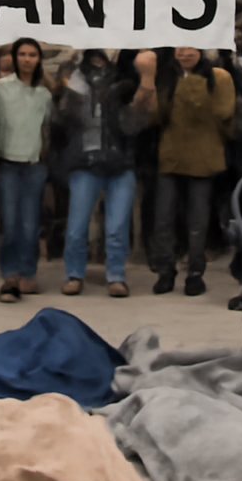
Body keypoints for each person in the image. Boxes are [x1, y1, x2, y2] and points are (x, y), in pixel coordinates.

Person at [53, 49, 157, 297]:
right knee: (77, 226)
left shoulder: (126, 79)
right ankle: (74, 274)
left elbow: (136, 124)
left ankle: (116, 275)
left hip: (121, 160)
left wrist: (139, 93)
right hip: (84, 160)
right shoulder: (72, 76)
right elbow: (62, 118)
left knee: (117, 225)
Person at [150, 47, 235, 297]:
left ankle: (195, 273)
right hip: (171, 155)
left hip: (204, 156)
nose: (184, 53)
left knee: (198, 221)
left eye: (190, 48)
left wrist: (190, 83)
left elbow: (222, 112)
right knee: (163, 219)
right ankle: (165, 271)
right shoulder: (166, 76)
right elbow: (156, 115)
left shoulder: (219, 77)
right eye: (180, 48)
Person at [0, 38, 52, 303]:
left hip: (34, 165)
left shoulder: (43, 94)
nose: (27, 59)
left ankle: (28, 271)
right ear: (15, 58)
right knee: (11, 222)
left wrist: (44, 155)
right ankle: (10, 274)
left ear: (39, 59)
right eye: (22, 54)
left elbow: (47, 127)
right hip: (8, 164)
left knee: (30, 223)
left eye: (32, 54)